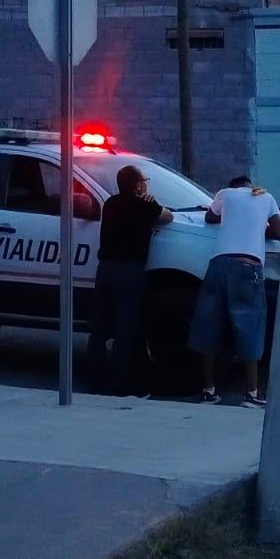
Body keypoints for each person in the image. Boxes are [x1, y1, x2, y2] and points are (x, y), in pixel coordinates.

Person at [189, 174, 280, 406]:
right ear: (251, 186)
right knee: (250, 327)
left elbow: (211, 217)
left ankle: (208, 389)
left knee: (209, 325)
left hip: (218, 266)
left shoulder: (225, 194)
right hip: (247, 267)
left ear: (233, 187)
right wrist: (260, 230)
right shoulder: (266, 197)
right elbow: (279, 233)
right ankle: (251, 393)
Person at [87, 164, 172, 396]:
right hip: (129, 272)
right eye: (144, 180)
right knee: (125, 331)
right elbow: (167, 216)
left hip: (105, 271)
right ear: (137, 185)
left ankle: (93, 382)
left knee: (100, 329)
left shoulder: (110, 204)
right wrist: (150, 201)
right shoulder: (144, 205)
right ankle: (118, 385)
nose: (146, 183)